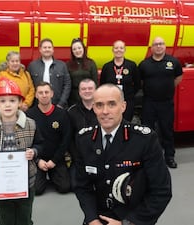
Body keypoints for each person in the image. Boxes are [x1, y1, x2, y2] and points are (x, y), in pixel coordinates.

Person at [74, 83, 172, 225]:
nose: (105, 111)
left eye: (112, 104)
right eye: (99, 105)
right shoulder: (84, 139)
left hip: (135, 218)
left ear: (123, 106)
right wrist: (92, 218)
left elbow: (161, 191)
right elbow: (82, 186)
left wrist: (127, 222)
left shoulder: (144, 139)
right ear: (93, 108)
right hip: (99, 218)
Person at [0, 77, 43, 225]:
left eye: (12, 100)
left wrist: (34, 152)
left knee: (24, 215)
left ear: (20, 102)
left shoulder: (31, 124)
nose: (7, 105)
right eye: (2, 101)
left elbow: (41, 145)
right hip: (0, 182)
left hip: (27, 181)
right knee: (5, 216)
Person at [138, 37, 183, 169]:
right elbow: (141, 81)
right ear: (151, 48)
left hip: (166, 103)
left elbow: (178, 77)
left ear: (165, 46)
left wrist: (166, 88)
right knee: (147, 131)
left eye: (161, 44)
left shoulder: (173, 62)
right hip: (149, 102)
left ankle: (169, 157)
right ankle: (148, 157)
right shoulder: (144, 64)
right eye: (156, 44)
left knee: (167, 130)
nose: (159, 46)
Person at [26, 81, 71, 195]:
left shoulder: (62, 114)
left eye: (46, 92)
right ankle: (42, 175)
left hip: (56, 158)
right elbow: (26, 141)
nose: (44, 95)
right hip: (38, 158)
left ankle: (53, 173)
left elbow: (66, 140)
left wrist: (54, 161)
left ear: (52, 94)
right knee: (36, 190)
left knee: (65, 187)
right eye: (40, 92)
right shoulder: (29, 115)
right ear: (36, 95)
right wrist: (37, 160)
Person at [100, 40, 141, 121]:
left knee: (126, 123)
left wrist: (129, 94)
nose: (118, 50)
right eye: (116, 48)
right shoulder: (107, 66)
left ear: (125, 50)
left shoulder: (131, 65)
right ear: (112, 50)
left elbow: (137, 84)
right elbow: (102, 84)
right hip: (110, 102)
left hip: (127, 101)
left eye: (121, 48)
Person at [67, 78, 97, 189]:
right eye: (84, 89)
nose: (87, 91)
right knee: (74, 185)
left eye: (90, 88)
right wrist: (77, 157)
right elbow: (69, 139)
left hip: (101, 156)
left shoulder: (103, 109)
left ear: (95, 90)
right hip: (79, 158)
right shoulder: (71, 112)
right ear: (79, 92)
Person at [27, 38, 71, 109]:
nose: (47, 49)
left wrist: (61, 103)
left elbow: (67, 85)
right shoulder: (32, 66)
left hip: (58, 105)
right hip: (37, 106)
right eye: (44, 47)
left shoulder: (62, 65)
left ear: (53, 50)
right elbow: (28, 86)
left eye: (49, 47)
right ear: (40, 50)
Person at [66, 38, 98, 106]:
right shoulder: (68, 65)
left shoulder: (91, 63)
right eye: (74, 49)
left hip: (89, 97)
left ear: (83, 49)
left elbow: (95, 82)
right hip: (73, 99)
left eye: (79, 48)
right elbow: (67, 84)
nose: (77, 51)